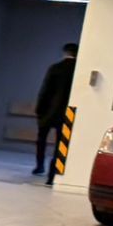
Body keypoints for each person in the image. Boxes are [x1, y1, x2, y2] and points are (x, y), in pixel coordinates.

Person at [34, 42, 78, 176]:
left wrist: (39, 109)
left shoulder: (55, 68)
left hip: (48, 111)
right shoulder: (78, 70)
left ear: (65, 53)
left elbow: (45, 90)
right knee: (60, 143)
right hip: (67, 113)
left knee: (41, 139)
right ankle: (54, 171)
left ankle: (39, 166)